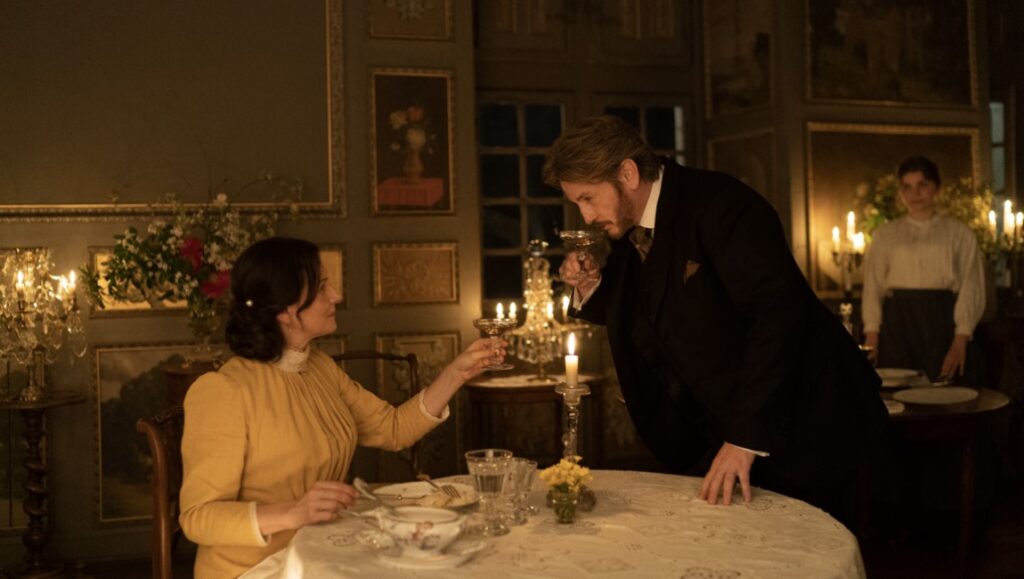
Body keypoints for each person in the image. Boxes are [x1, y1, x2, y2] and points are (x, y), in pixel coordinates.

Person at [545, 115, 887, 516]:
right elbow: (651, 311)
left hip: (811, 428)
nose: (586, 216)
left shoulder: (723, 206)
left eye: (588, 198)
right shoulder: (631, 228)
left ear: (628, 173)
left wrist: (744, 438)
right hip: (717, 434)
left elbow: (779, 316)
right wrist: (590, 285)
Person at [179, 237, 500, 578]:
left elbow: (393, 429)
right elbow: (198, 518)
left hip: (323, 551)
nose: (336, 296)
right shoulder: (224, 391)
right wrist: (292, 513)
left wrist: (456, 373)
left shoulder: (320, 367)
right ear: (286, 311)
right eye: (321, 288)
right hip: (256, 569)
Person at [862, 156, 986, 383]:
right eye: (907, 187)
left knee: (943, 388)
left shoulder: (959, 233)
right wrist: (872, 334)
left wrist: (961, 337)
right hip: (898, 323)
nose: (915, 193)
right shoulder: (885, 235)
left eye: (922, 185)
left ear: (936, 188)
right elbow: (873, 286)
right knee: (899, 390)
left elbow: (971, 285)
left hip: (942, 320)